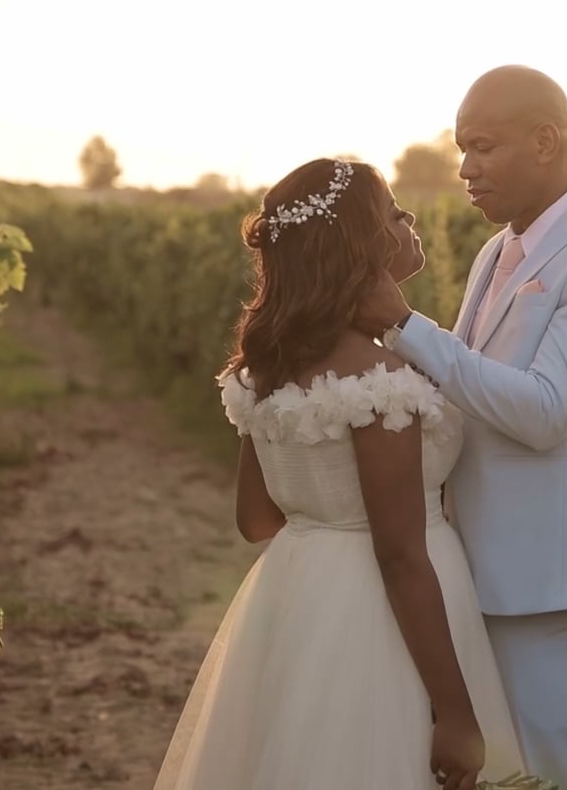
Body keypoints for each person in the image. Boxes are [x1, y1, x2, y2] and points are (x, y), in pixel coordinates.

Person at [153, 158, 528, 790]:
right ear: (361, 244)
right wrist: (457, 713)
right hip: (388, 618)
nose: (409, 220)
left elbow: (256, 520)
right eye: (392, 213)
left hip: (299, 601)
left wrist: (322, 516)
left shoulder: (265, 371)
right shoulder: (379, 382)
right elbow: (402, 555)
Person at [356, 65, 567, 790]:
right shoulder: (499, 251)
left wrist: (403, 327)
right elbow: (462, 389)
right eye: (463, 149)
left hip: (556, 588)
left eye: (483, 147)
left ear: (547, 142)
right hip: (478, 576)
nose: (465, 169)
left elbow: (546, 409)